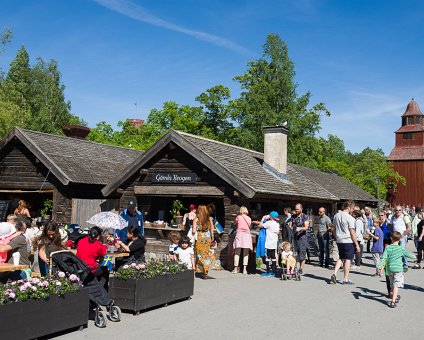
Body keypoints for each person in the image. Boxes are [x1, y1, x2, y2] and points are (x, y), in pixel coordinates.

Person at [378, 231, 415, 308]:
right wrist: (414, 256)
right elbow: (410, 255)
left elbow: (384, 258)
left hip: (390, 269)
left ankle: (393, 296)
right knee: (396, 285)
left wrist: (379, 266)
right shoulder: (401, 249)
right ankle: (393, 301)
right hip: (398, 269)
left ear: (391, 238)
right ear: (400, 239)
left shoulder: (388, 247)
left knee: (392, 285)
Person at [330, 200, 360, 285]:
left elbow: (334, 229)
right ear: (349, 207)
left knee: (341, 257)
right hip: (347, 240)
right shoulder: (350, 218)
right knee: (348, 259)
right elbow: (352, 232)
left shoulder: (336, 215)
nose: (353, 210)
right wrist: (357, 244)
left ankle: (334, 273)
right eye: (353, 208)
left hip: (339, 240)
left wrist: (336, 237)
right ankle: (345, 279)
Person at [192, 204, 214, 279]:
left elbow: (194, 231)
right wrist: (212, 239)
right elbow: (212, 230)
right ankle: (205, 272)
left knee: (200, 255)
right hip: (207, 239)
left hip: (199, 239)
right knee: (206, 255)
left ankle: (201, 270)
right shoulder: (210, 219)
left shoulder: (196, 219)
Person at [232, 206, 252, 275]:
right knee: (246, 253)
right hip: (247, 235)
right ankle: (244, 270)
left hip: (239, 234)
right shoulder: (249, 218)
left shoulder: (238, 217)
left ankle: (235, 269)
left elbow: (235, 224)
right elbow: (250, 226)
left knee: (237, 252)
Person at [391, 205, 412, 269]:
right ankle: (398, 264)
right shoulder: (393, 217)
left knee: (402, 250)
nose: (398, 211)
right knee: (395, 251)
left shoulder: (404, 217)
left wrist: (402, 235)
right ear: (395, 211)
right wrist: (392, 234)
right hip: (395, 237)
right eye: (396, 210)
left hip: (402, 237)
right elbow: (391, 226)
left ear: (402, 210)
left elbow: (409, 228)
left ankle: (405, 264)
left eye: (399, 210)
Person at [259, 211, 280, 277]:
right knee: (273, 257)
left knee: (268, 257)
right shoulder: (277, 224)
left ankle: (268, 272)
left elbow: (260, 225)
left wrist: (263, 218)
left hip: (268, 243)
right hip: (274, 242)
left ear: (270, 217)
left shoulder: (268, 223)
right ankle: (273, 271)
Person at [291, 203, 309, 275]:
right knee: (294, 253)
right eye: (295, 209)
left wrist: (300, 228)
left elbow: (306, 227)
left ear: (301, 209)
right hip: (295, 237)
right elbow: (290, 224)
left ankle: (301, 268)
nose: (296, 210)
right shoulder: (293, 216)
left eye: (298, 209)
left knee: (302, 253)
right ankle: (294, 268)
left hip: (302, 237)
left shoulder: (305, 216)